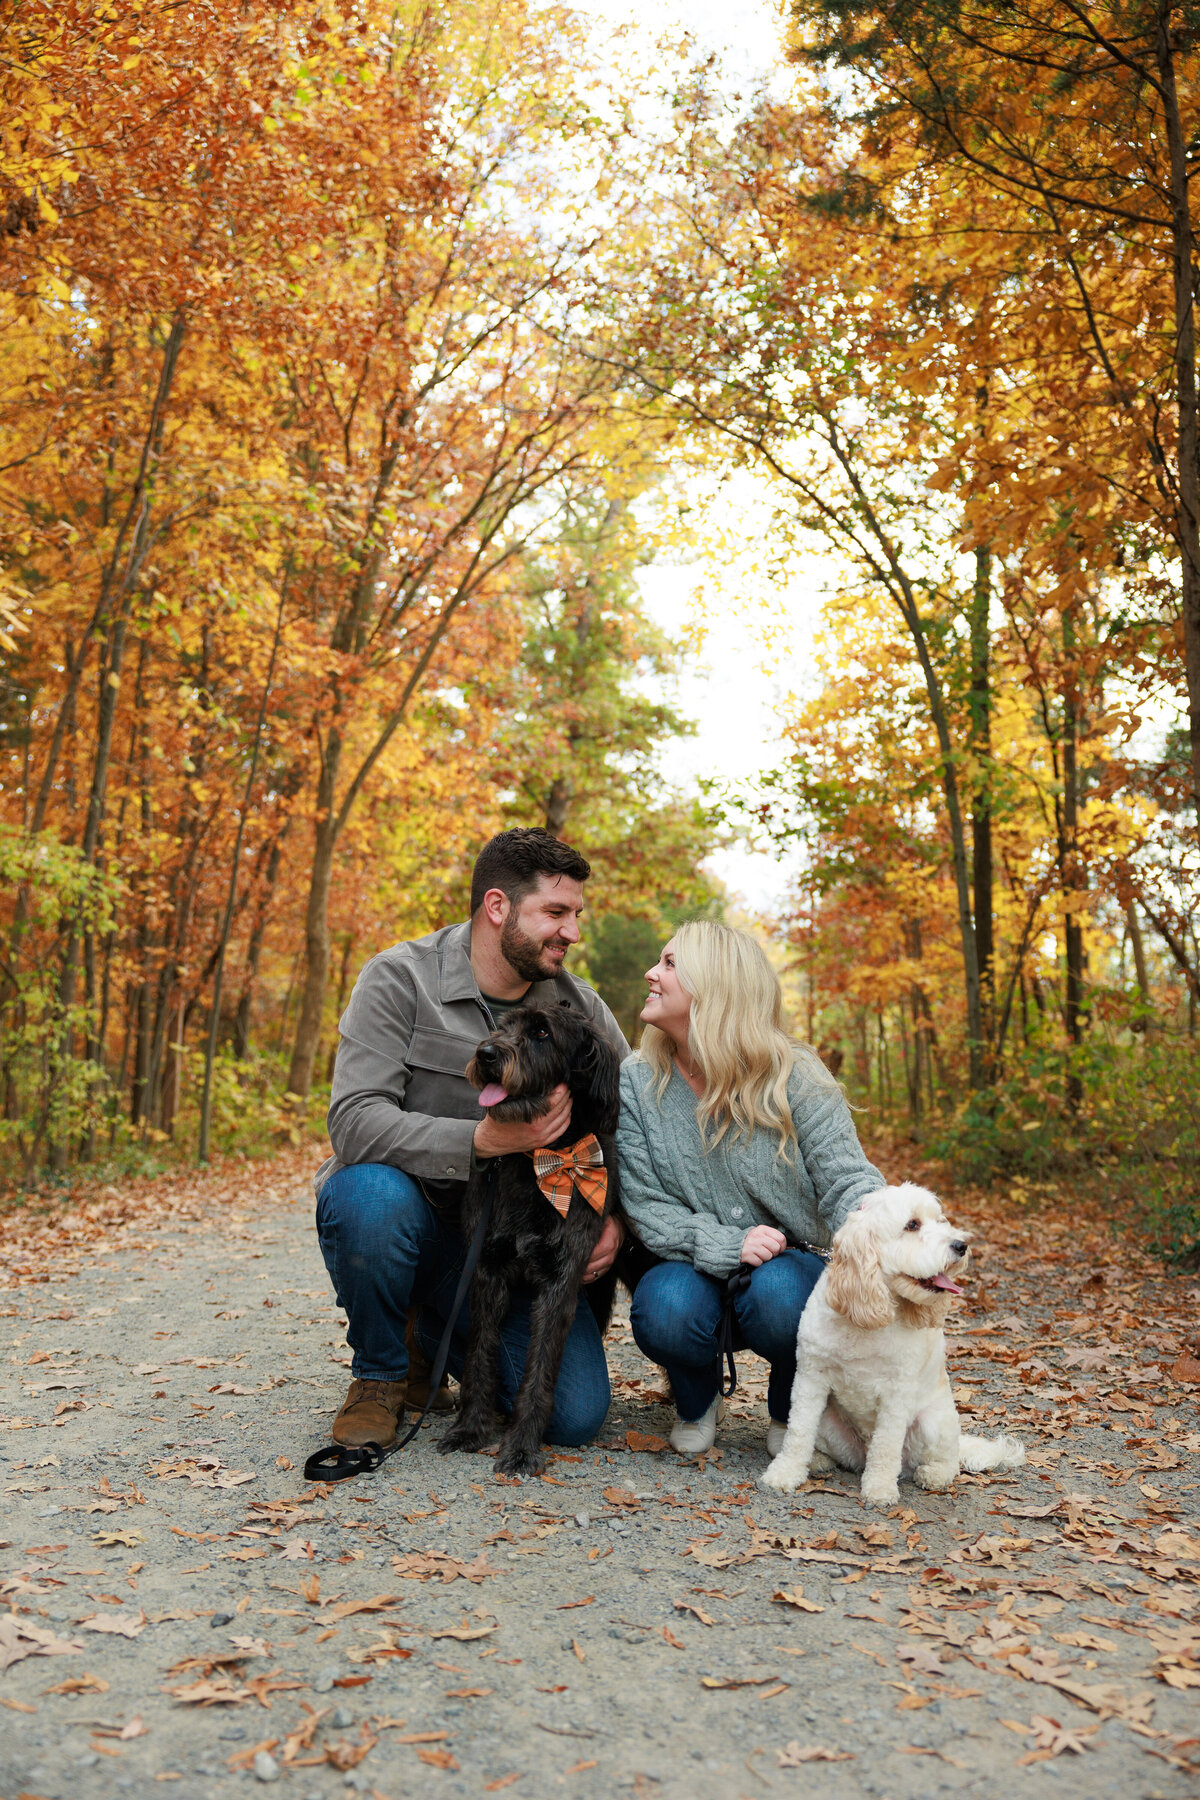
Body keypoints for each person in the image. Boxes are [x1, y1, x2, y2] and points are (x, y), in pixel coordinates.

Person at [314, 827, 629, 1452]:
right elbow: (353, 1119)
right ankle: (381, 1373)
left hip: (516, 1240)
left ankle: (431, 1336)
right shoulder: (400, 979)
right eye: (555, 913)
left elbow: (631, 1118)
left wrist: (614, 1217)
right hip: (420, 1220)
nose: (571, 932)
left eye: (575, 915)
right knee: (367, 1197)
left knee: (573, 1418)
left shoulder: (578, 1006)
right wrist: (480, 1142)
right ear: (497, 907)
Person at [616, 920, 886, 1456]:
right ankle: (698, 1400)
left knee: (783, 1295)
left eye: (669, 964)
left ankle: (794, 1411)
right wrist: (725, 1245)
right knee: (664, 1308)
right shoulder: (637, 1079)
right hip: (689, 1262)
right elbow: (644, 1203)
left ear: (714, 987)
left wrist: (889, 1224)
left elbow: (845, 1177)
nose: (652, 972)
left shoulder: (796, 1074)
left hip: (790, 1266)